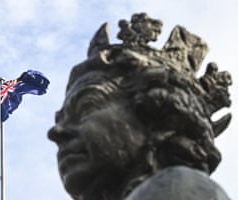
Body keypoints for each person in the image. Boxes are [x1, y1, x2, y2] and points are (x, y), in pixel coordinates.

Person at [47, 13, 232, 200]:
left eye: (86, 108)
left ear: (156, 119)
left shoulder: (182, 188)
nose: (56, 132)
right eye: (61, 120)